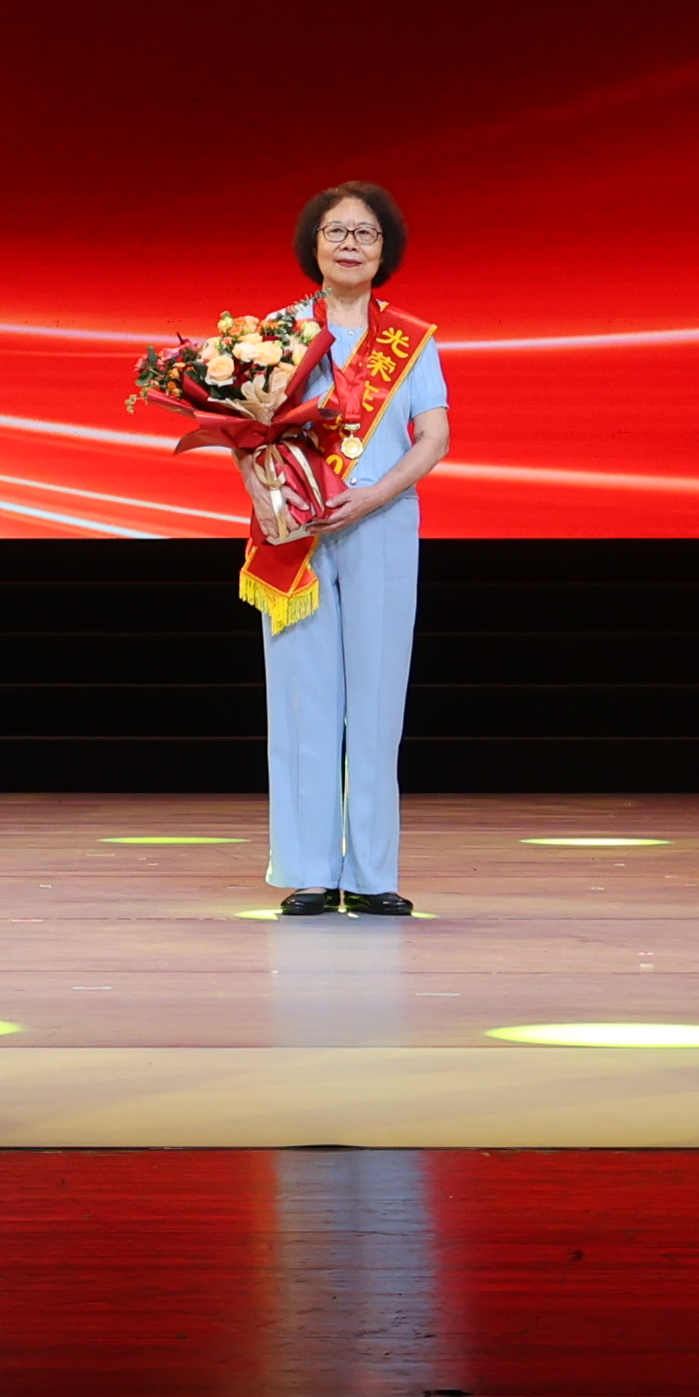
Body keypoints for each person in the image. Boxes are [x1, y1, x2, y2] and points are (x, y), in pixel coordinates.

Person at [254, 182, 448, 918]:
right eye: (336, 231)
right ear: (313, 244)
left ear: (384, 250)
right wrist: (267, 492)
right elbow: (249, 430)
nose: (350, 244)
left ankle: (370, 873)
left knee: (376, 699)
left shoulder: (412, 340)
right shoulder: (273, 333)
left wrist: (372, 495)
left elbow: (434, 437)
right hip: (296, 531)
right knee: (302, 699)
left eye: (365, 233)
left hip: (382, 521)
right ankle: (308, 871)